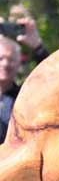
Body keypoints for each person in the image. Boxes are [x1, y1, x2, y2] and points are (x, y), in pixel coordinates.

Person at [0, 14, 50, 143]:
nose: (5, 64)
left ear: (19, 63)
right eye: (1, 58)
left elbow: (52, 79)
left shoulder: (24, 98)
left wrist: (37, 46)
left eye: (11, 59)